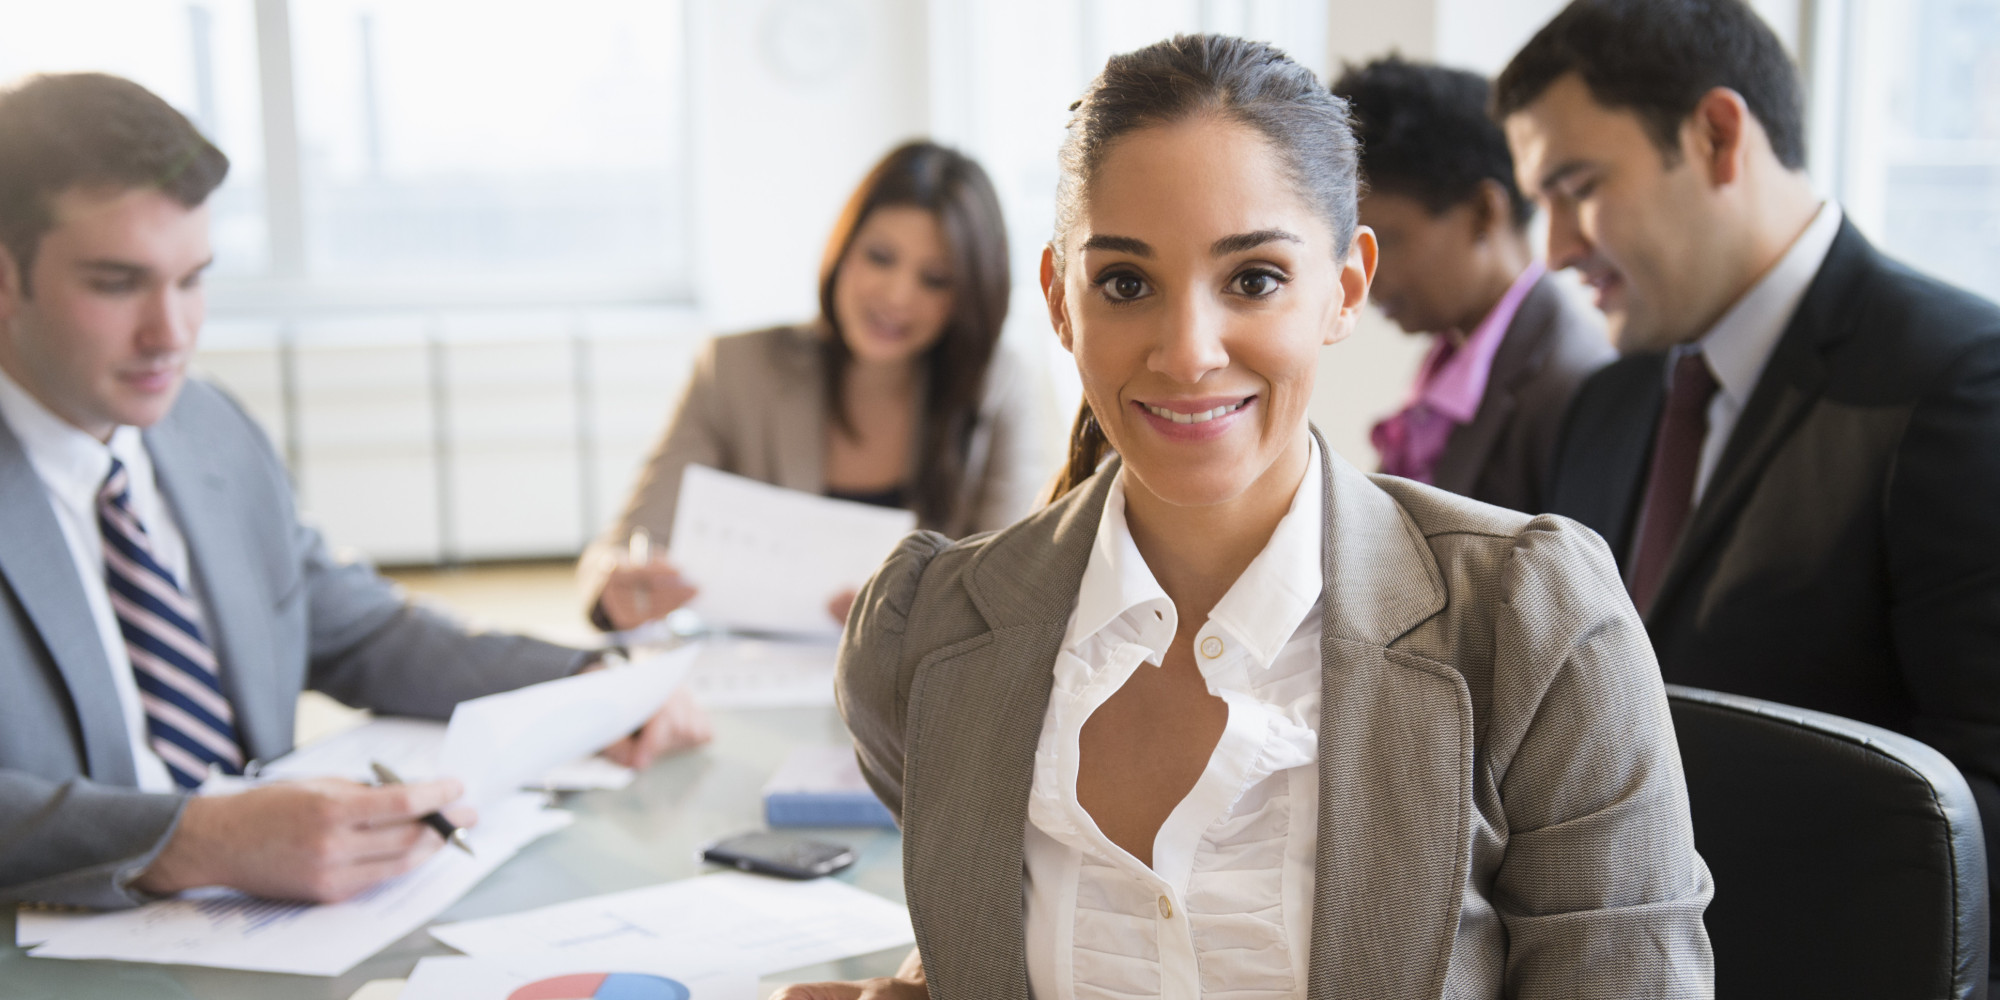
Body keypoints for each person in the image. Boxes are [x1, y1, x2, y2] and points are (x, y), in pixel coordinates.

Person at [789, 35, 1712, 1000]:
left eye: (1255, 278)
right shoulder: (926, 633)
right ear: (1062, 301)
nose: (1188, 352)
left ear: (1344, 288)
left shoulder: (1533, 625)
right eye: (1126, 283)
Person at [0, 72, 708, 910]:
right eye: (118, 284)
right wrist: (194, 840)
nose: (173, 334)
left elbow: (355, 629)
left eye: (192, 280)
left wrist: (590, 683)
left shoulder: (204, 427)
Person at [1495, 0, 2000, 912]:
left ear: (1719, 136)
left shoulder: (1959, 383)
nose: (1558, 248)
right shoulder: (1608, 403)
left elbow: (1982, 807)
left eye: (1577, 188)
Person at [578, 142, 1042, 632]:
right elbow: (621, 548)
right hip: (756, 673)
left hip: (915, 686)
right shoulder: (736, 368)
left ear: (970, 294)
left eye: (935, 279)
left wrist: (918, 616)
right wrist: (615, 589)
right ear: (843, 249)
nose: (897, 295)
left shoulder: (997, 384)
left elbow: (1011, 584)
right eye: (880, 258)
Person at [1332, 55, 1611, 513]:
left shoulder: (1575, 386)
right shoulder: (1453, 361)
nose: (1359, 277)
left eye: (1386, 242)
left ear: (1484, 211)